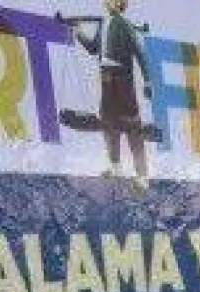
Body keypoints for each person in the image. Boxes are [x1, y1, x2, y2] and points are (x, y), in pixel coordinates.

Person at [61, 0, 151, 189]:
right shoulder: (103, 24)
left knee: (132, 125)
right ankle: (115, 165)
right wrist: (78, 31)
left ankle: (142, 175)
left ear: (119, 3)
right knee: (108, 123)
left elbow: (140, 54)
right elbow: (93, 48)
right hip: (106, 79)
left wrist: (148, 81)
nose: (106, 2)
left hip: (123, 79)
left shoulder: (126, 26)